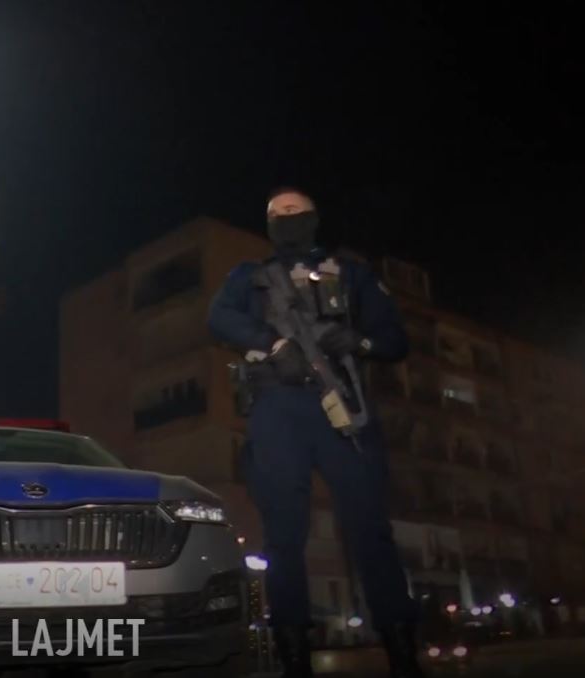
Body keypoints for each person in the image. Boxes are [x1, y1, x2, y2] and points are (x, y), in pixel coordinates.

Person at [208, 187, 425, 678]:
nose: (286, 217)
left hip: (343, 407)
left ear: (313, 218)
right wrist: (272, 343)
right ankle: (293, 655)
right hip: (277, 409)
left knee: (371, 529)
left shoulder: (350, 273)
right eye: (276, 213)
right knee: (283, 536)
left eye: (295, 210)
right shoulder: (248, 276)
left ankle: (401, 650)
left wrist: (359, 341)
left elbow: (394, 340)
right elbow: (218, 318)